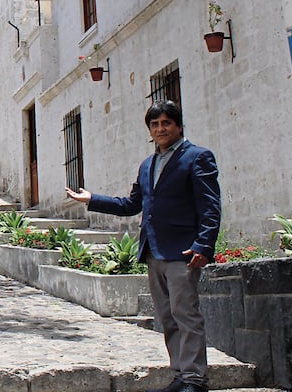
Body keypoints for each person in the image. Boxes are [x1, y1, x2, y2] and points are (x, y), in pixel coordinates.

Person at [65, 100, 220, 392]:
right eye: (155, 124)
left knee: (186, 314)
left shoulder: (198, 157)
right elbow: (131, 204)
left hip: (183, 252)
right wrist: (92, 199)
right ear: (149, 129)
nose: (160, 129)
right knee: (168, 317)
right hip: (153, 250)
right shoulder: (147, 164)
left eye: (166, 123)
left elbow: (210, 206)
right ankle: (180, 375)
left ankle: (195, 380)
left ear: (178, 125)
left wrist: (203, 244)